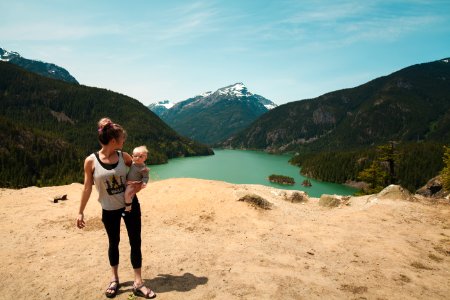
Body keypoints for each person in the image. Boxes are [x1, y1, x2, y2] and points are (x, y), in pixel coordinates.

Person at [76, 117, 156, 299]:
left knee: (135, 242)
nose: (124, 141)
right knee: (114, 243)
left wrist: (139, 185)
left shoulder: (124, 156)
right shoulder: (91, 161)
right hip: (109, 209)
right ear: (114, 141)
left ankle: (138, 282)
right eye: (122, 139)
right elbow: (87, 187)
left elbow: (138, 168)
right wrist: (80, 211)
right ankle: (114, 279)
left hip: (130, 207)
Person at [124, 146, 149, 213]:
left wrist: (144, 183)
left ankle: (128, 207)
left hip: (133, 184)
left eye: (141, 157)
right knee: (129, 195)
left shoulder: (144, 168)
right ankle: (128, 203)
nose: (137, 158)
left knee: (127, 194)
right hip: (127, 182)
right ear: (132, 156)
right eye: (135, 156)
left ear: (145, 158)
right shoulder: (132, 163)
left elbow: (145, 177)